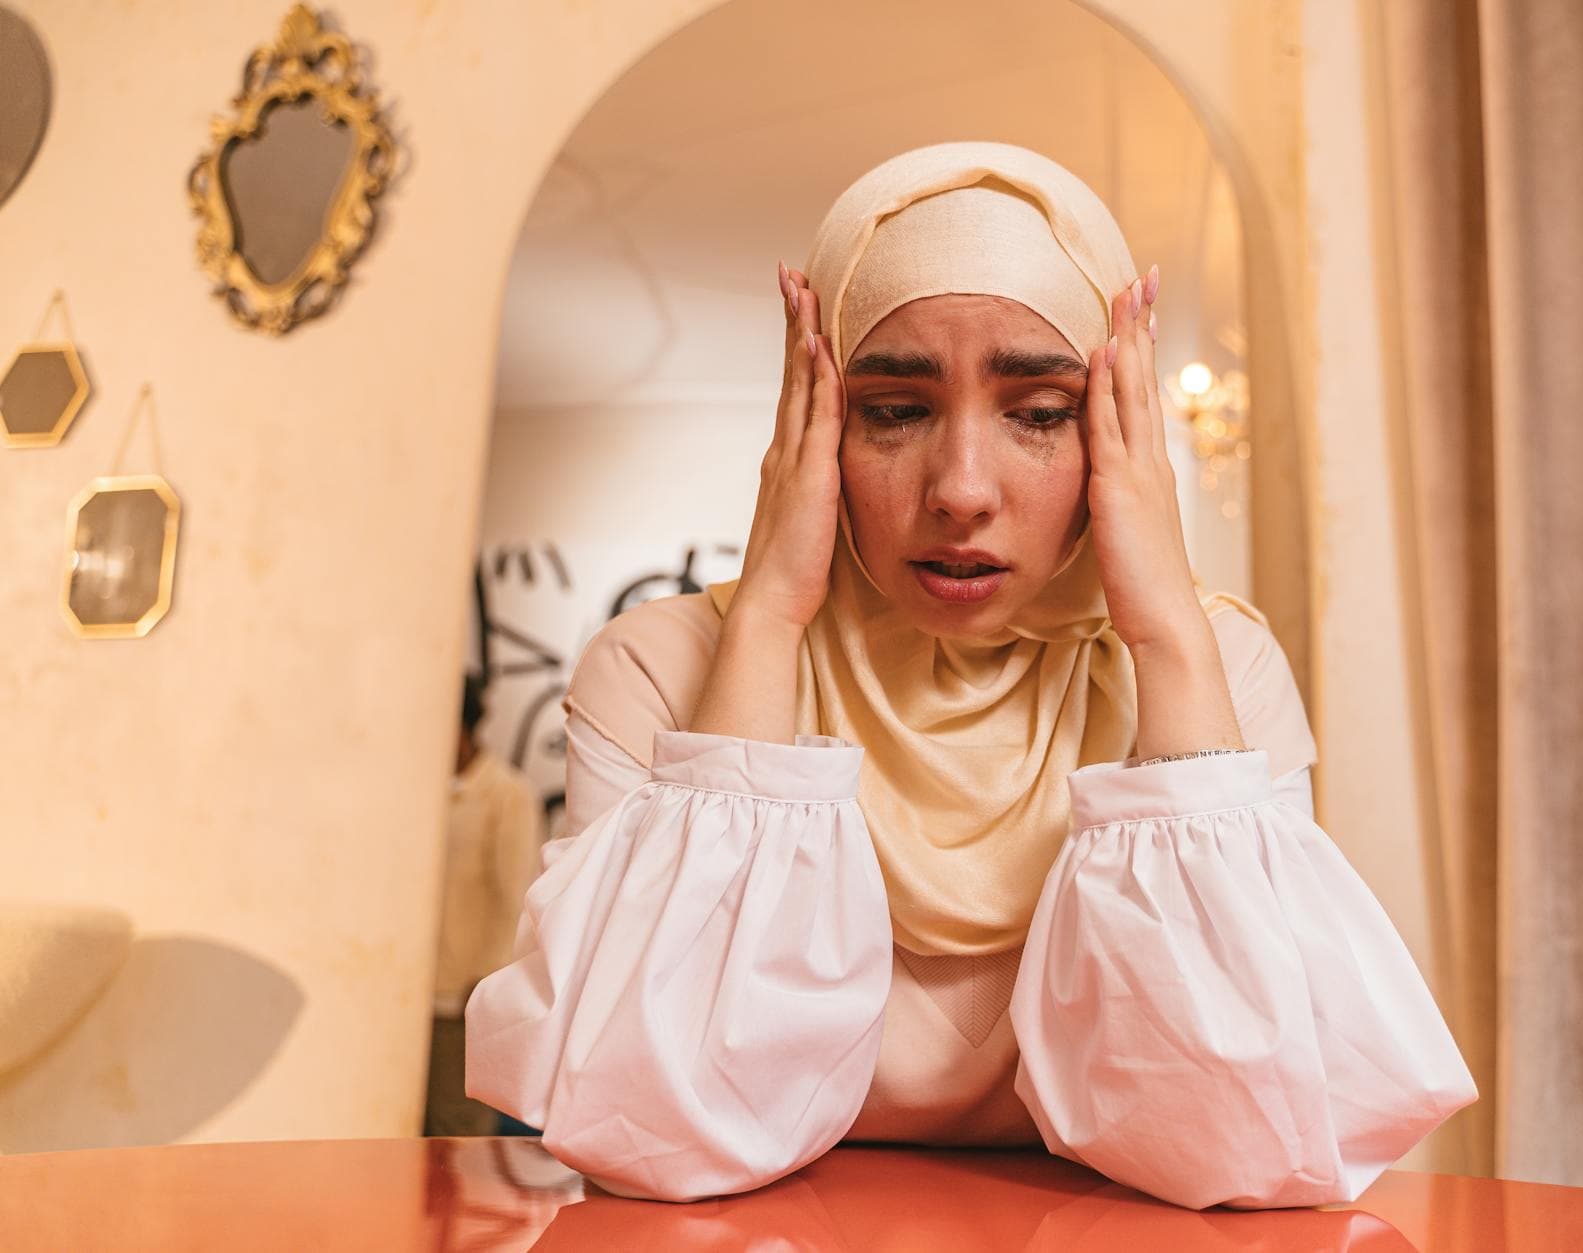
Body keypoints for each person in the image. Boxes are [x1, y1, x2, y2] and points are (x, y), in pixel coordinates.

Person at [466, 143, 1474, 1208]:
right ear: (811, 424)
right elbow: (655, 1132)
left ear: (1111, 430)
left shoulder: (1214, 668)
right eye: (892, 410)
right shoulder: (658, 669)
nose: (959, 488)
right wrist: (764, 618)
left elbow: (1253, 1143)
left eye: (1040, 412)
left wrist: (1169, 631)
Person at [426, 676, 543, 1137]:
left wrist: (491, 977)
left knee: (456, 1132)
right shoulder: (421, 790)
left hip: (465, 991)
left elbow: (520, 891)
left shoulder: (507, 794)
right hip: (417, 991)